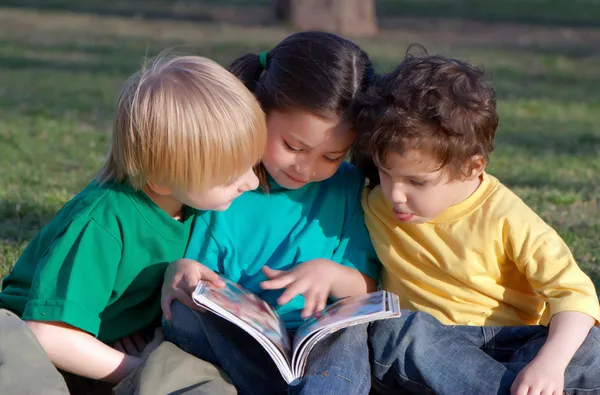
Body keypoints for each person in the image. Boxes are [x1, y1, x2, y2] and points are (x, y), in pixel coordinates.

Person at [0, 54, 266, 394]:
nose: (251, 183)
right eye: (230, 177)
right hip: (42, 347)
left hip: (112, 348)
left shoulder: (193, 202)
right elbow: (47, 334)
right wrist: (137, 370)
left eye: (252, 165)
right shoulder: (103, 219)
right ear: (161, 181)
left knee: (202, 379)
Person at [355, 50, 600, 395]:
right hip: (430, 349)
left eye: (417, 182)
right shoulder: (372, 201)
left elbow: (574, 295)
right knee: (391, 332)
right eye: (385, 172)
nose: (395, 193)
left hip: (511, 344)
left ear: (472, 167)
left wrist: (550, 364)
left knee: (591, 347)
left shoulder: (506, 216)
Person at [161, 31, 379, 395]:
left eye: (331, 156)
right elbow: (201, 277)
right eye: (293, 146)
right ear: (257, 110)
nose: (305, 169)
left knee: (350, 335)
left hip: (319, 344)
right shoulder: (222, 182)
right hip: (245, 344)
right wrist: (180, 271)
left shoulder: (348, 188)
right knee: (183, 317)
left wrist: (331, 275)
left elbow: (368, 286)